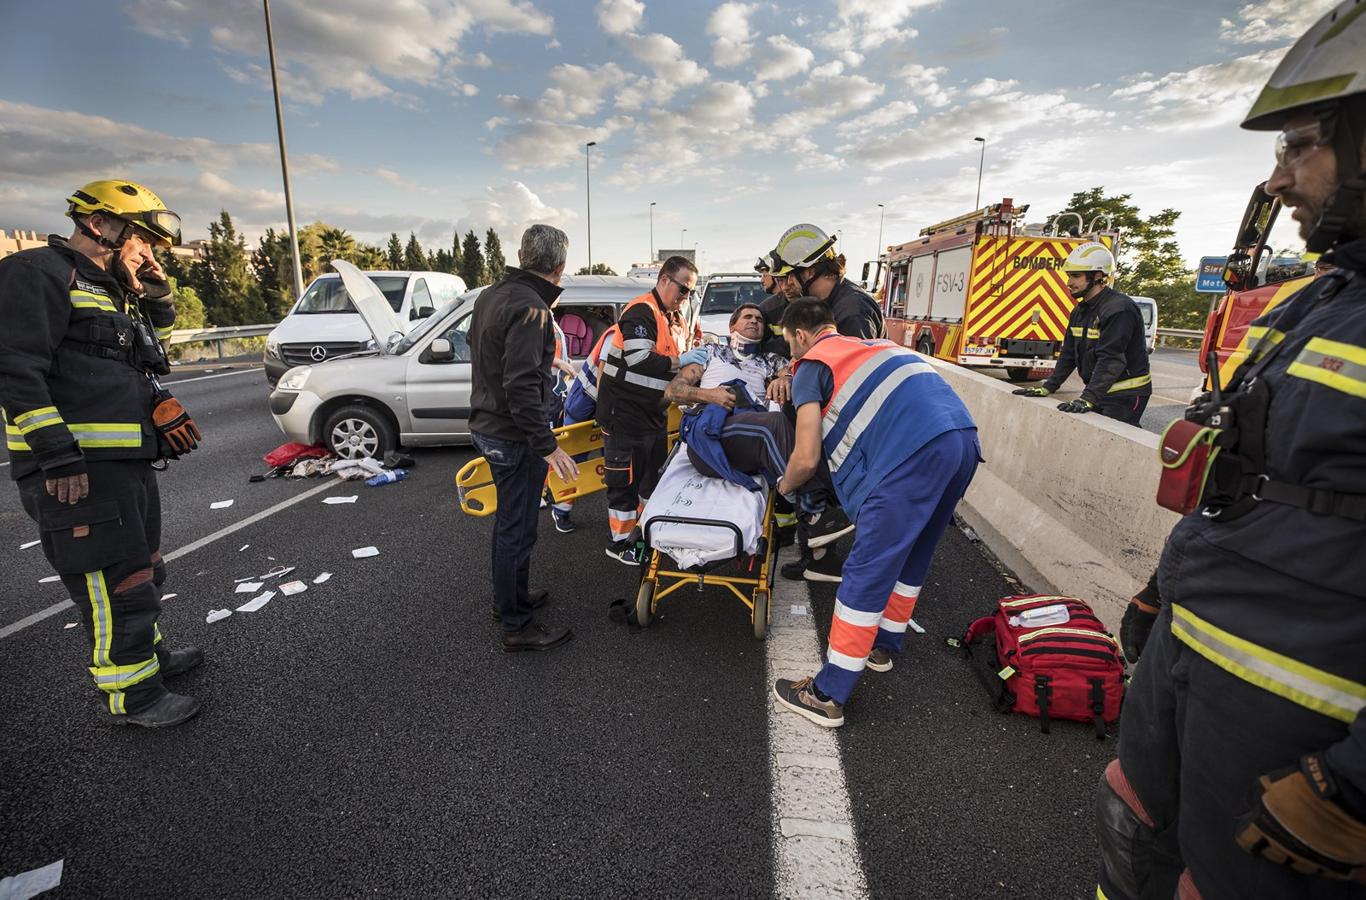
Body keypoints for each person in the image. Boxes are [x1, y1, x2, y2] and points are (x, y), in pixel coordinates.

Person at [1096, 4, 1366, 896]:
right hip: (1191, 652)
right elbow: (1239, 473)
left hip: (1300, 718)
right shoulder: (1317, 302)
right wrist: (1159, 589)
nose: (1280, 180)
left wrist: (1357, 784)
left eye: (1298, 147)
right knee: (1133, 834)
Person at [0, 179, 204, 728]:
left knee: (141, 571)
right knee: (113, 583)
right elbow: (14, 370)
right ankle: (133, 696)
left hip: (122, 462)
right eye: (141, 239)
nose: (149, 252)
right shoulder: (38, 273)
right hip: (77, 471)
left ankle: (149, 658)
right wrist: (57, 456)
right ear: (101, 226)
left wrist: (154, 293)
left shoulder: (110, 286)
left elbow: (146, 348)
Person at [770, 299, 979, 727]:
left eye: (790, 343)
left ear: (802, 335)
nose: (792, 353)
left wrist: (784, 488)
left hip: (910, 455)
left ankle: (827, 694)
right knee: (914, 552)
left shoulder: (812, 364)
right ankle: (882, 646)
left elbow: (806, 458)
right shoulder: (872, 346)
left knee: (867, 568)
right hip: (962, 441)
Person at [468, 224, 579, 652]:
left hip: (487, 425)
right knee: (518, 528)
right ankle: (517, 624)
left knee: (509, 524)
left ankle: (509, 599)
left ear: (521, 254)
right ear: (559, 265)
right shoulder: (531, 307)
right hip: (512, 434)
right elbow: (520, 385)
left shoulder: (492, 294)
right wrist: (546, 446)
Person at [663, 303, 853, 548]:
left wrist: (784, 379)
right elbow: (673, 390)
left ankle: (818, 517)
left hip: (748, 441)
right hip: (710, 437)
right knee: (772, 424)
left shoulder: (771, 361)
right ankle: (815, 510)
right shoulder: (711, 352)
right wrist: (710, 395)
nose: (754, 321)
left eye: (760, 319)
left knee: (787, 424)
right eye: (747, 317)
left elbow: (792, 372)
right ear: (733, 326)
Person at [769, 223, 886, 582]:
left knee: (803, 458)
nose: (783, 285)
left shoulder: (850, 312)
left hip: (855, 426)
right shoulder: (829, 303)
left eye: (789, 277)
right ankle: (820, 555)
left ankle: (833, 547)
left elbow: (849, 380)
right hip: (841, 419)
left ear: (810, 271)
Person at [594, 255, 705, 565]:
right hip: (623, 415)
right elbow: (640, 360)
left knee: (650, 482)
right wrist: (683, 361)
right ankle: (618, 543)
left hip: (651, 414)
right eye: (684, 289)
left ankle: (643, 536)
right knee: (624, 484)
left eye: (691, 293)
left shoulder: (674, 318)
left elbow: (673, 364)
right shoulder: (642, 310)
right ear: (665, 280)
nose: (686, 297)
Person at [1011, 242, 1152, 426]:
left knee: (1112, 443)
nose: (1069, 282)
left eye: (1076, 276)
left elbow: (1111, 359)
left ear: (1098, 276)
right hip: (1101, 390)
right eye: (1069, 276)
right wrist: (1048, 387)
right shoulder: (1080, 311)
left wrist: (1089, 398)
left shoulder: (1119, 309)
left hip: (1126, 393)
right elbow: (1069, 354)